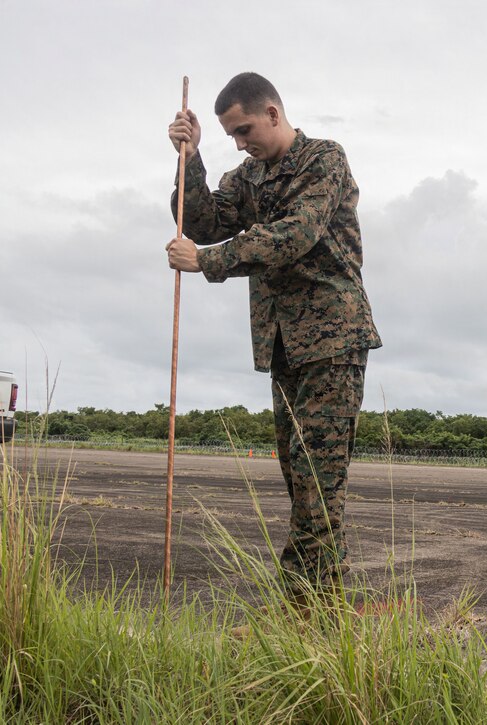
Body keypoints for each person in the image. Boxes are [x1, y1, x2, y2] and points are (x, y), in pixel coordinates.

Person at [166, 72, 381, 602]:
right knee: (300, 481)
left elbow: (295, 235)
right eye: (230, 137)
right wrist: (191, 159)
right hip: (283, 343)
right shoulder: (248, 177)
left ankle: (307, 614)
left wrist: (209, 263)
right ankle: (312, 615)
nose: (240, 143)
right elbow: (203, 222)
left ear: (272, 114)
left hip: (332, 340)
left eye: (243, 130)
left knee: (318, 484)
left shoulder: (324, 159)